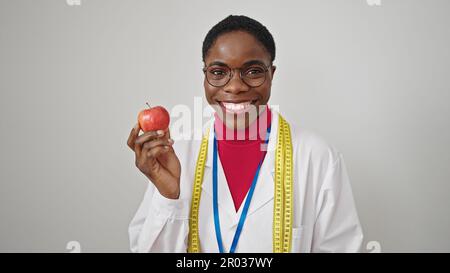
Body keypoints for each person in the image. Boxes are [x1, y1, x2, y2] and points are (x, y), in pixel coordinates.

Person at [127, 15, 363, 253]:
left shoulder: (317, 156)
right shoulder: (176, 153)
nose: (236, 86)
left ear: (272, 74)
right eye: (219, 72)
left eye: (252, 71)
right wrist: (169, 198)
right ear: (205, 76)